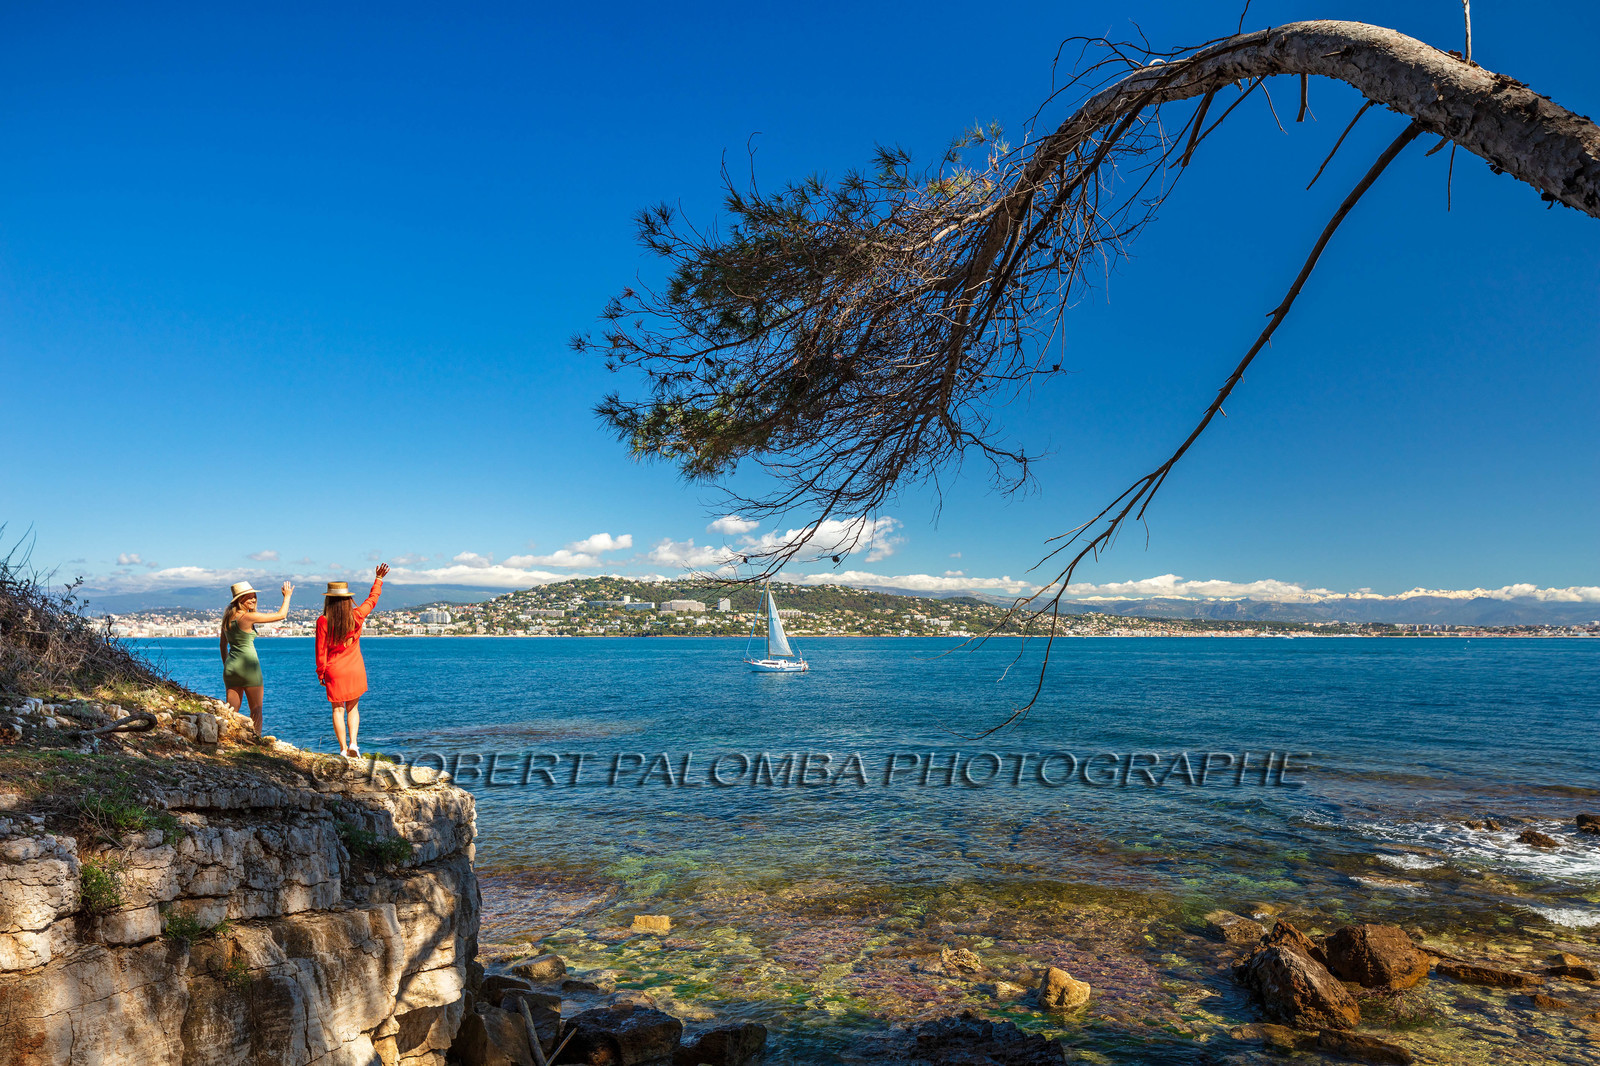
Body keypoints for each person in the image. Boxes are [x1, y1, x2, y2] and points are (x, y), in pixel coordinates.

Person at [316, 564, 387, 757]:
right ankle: (354, 744)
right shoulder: (357, 615)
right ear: (348, 599)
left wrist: (321, 672)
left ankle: (342, 749)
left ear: (328, 600)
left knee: (337, 710)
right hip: (355, 668)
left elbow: (320, 650)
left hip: (334, 670)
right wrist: (378, 579)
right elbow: (372, 600)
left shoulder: (323, 621)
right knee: (353, 708)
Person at [220, 580, 294, 734]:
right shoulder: (247, 617)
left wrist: (227, 664)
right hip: (249, 668)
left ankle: (230, 738)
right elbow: (282, 615)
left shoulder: (227, 618)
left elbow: (222, 645)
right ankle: (256, 741)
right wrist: (287, 596)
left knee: (232, 710)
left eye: (254, 597)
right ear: (240, 600)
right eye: (249, 597)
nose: (253, 600)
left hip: (231, 668)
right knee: (256, 709)